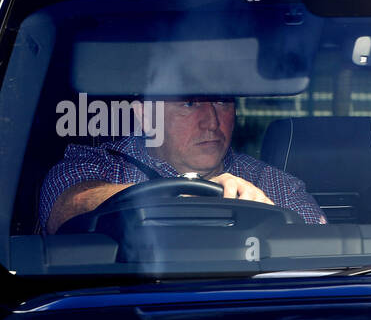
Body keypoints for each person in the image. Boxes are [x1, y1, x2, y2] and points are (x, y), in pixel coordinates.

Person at [38, 96, 326, 233]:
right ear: (147, 117)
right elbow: (66, 209)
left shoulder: (273, 183)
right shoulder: (98, 166)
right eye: (189, 104)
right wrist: (189, 194)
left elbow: (320, 255)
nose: (212, 122)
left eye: (223, 103)